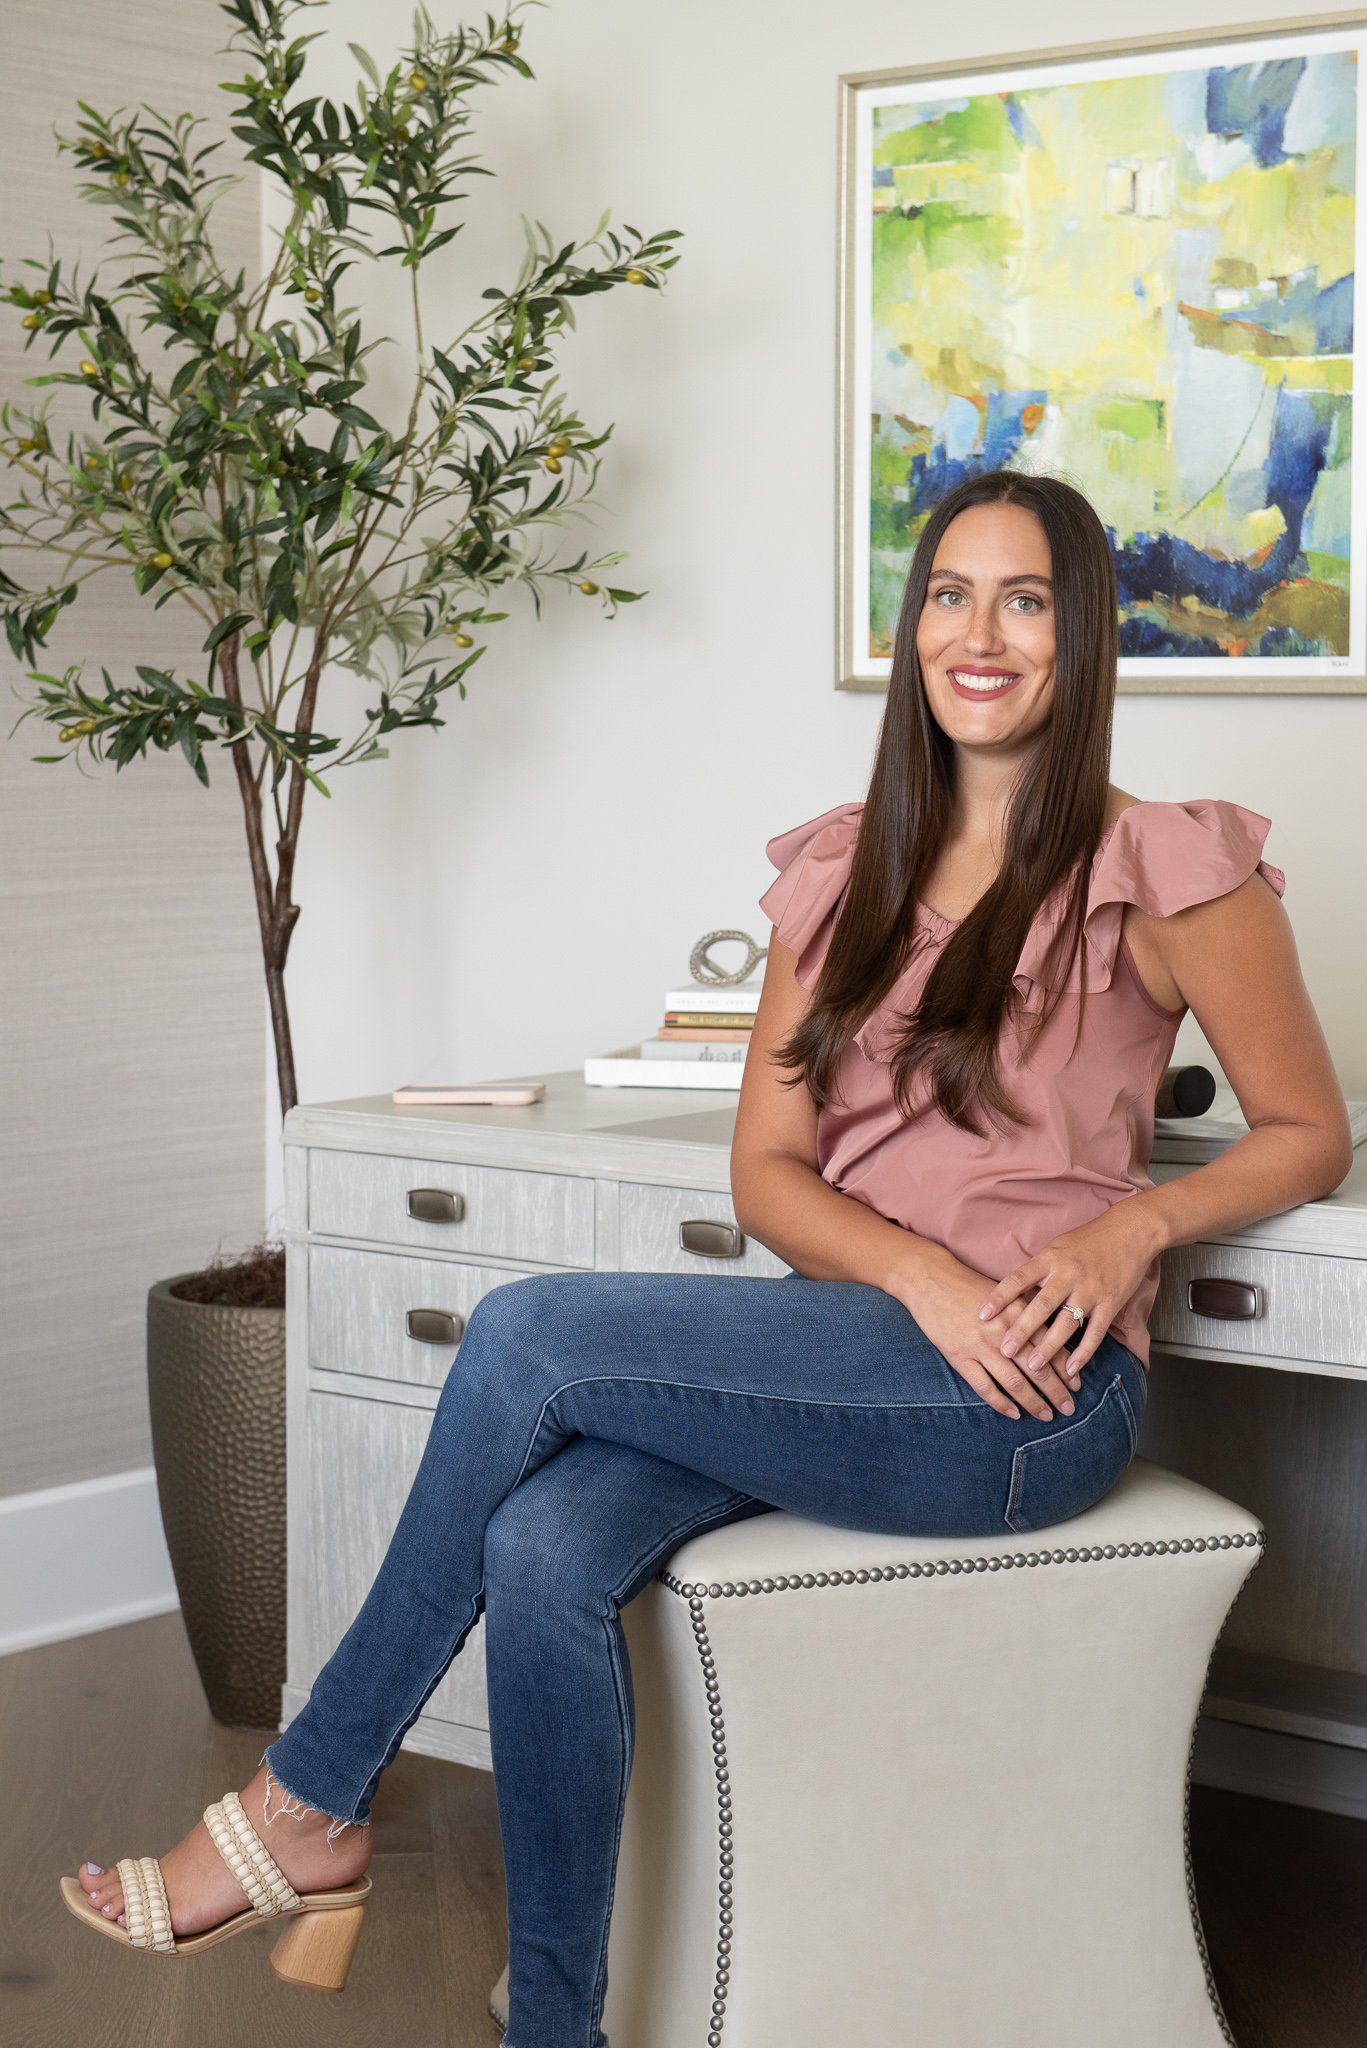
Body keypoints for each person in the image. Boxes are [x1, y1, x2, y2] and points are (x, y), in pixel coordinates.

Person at [61, 469, 1352, 2047]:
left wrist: (1132, 1223)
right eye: (950, 594)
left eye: (1026, 600)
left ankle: (309, 1801)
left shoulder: (1166, 865)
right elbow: (768, 1173)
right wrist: (918, 1276)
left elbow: (1304, 1130)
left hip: (1027, 1399)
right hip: (860, 1354)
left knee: (528, 1336)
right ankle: (557, 2027)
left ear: (1083, 636)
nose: (982, 634)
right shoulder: (842, 870)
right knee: (542, 1548)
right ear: (914, 625)